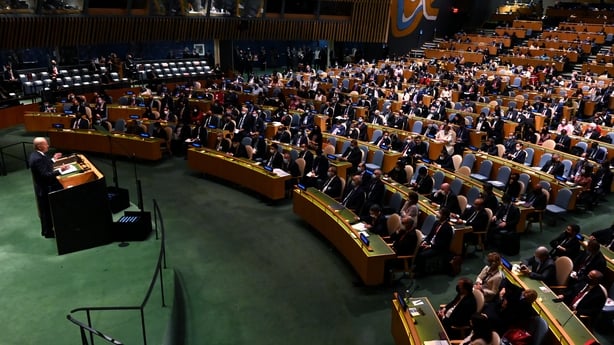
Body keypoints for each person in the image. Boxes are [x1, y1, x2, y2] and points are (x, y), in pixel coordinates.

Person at [29, 137, 68, 238]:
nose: (48, 146)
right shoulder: (37, 159)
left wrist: (53, 159)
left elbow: (44, 166)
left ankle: (47, 231)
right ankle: (48, 232)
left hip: (43, 187)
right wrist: (60, 170)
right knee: (46, 212)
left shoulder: (37, 154)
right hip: (45, 188)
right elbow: (45, 175)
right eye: (46, 144)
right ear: (39, 146)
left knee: (46, 211)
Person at [416, 207, 454, 274]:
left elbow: (442, 244)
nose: (437, 214)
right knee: (417, 247)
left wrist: (430, 246)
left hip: (438, 248)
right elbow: (430, 235)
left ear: (444, 216)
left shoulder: (447, 228)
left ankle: (421, 272)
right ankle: (416, 267)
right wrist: (425, 241)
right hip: (431, 244)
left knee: (422, 255)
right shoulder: (436, 223)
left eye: (439, 213)